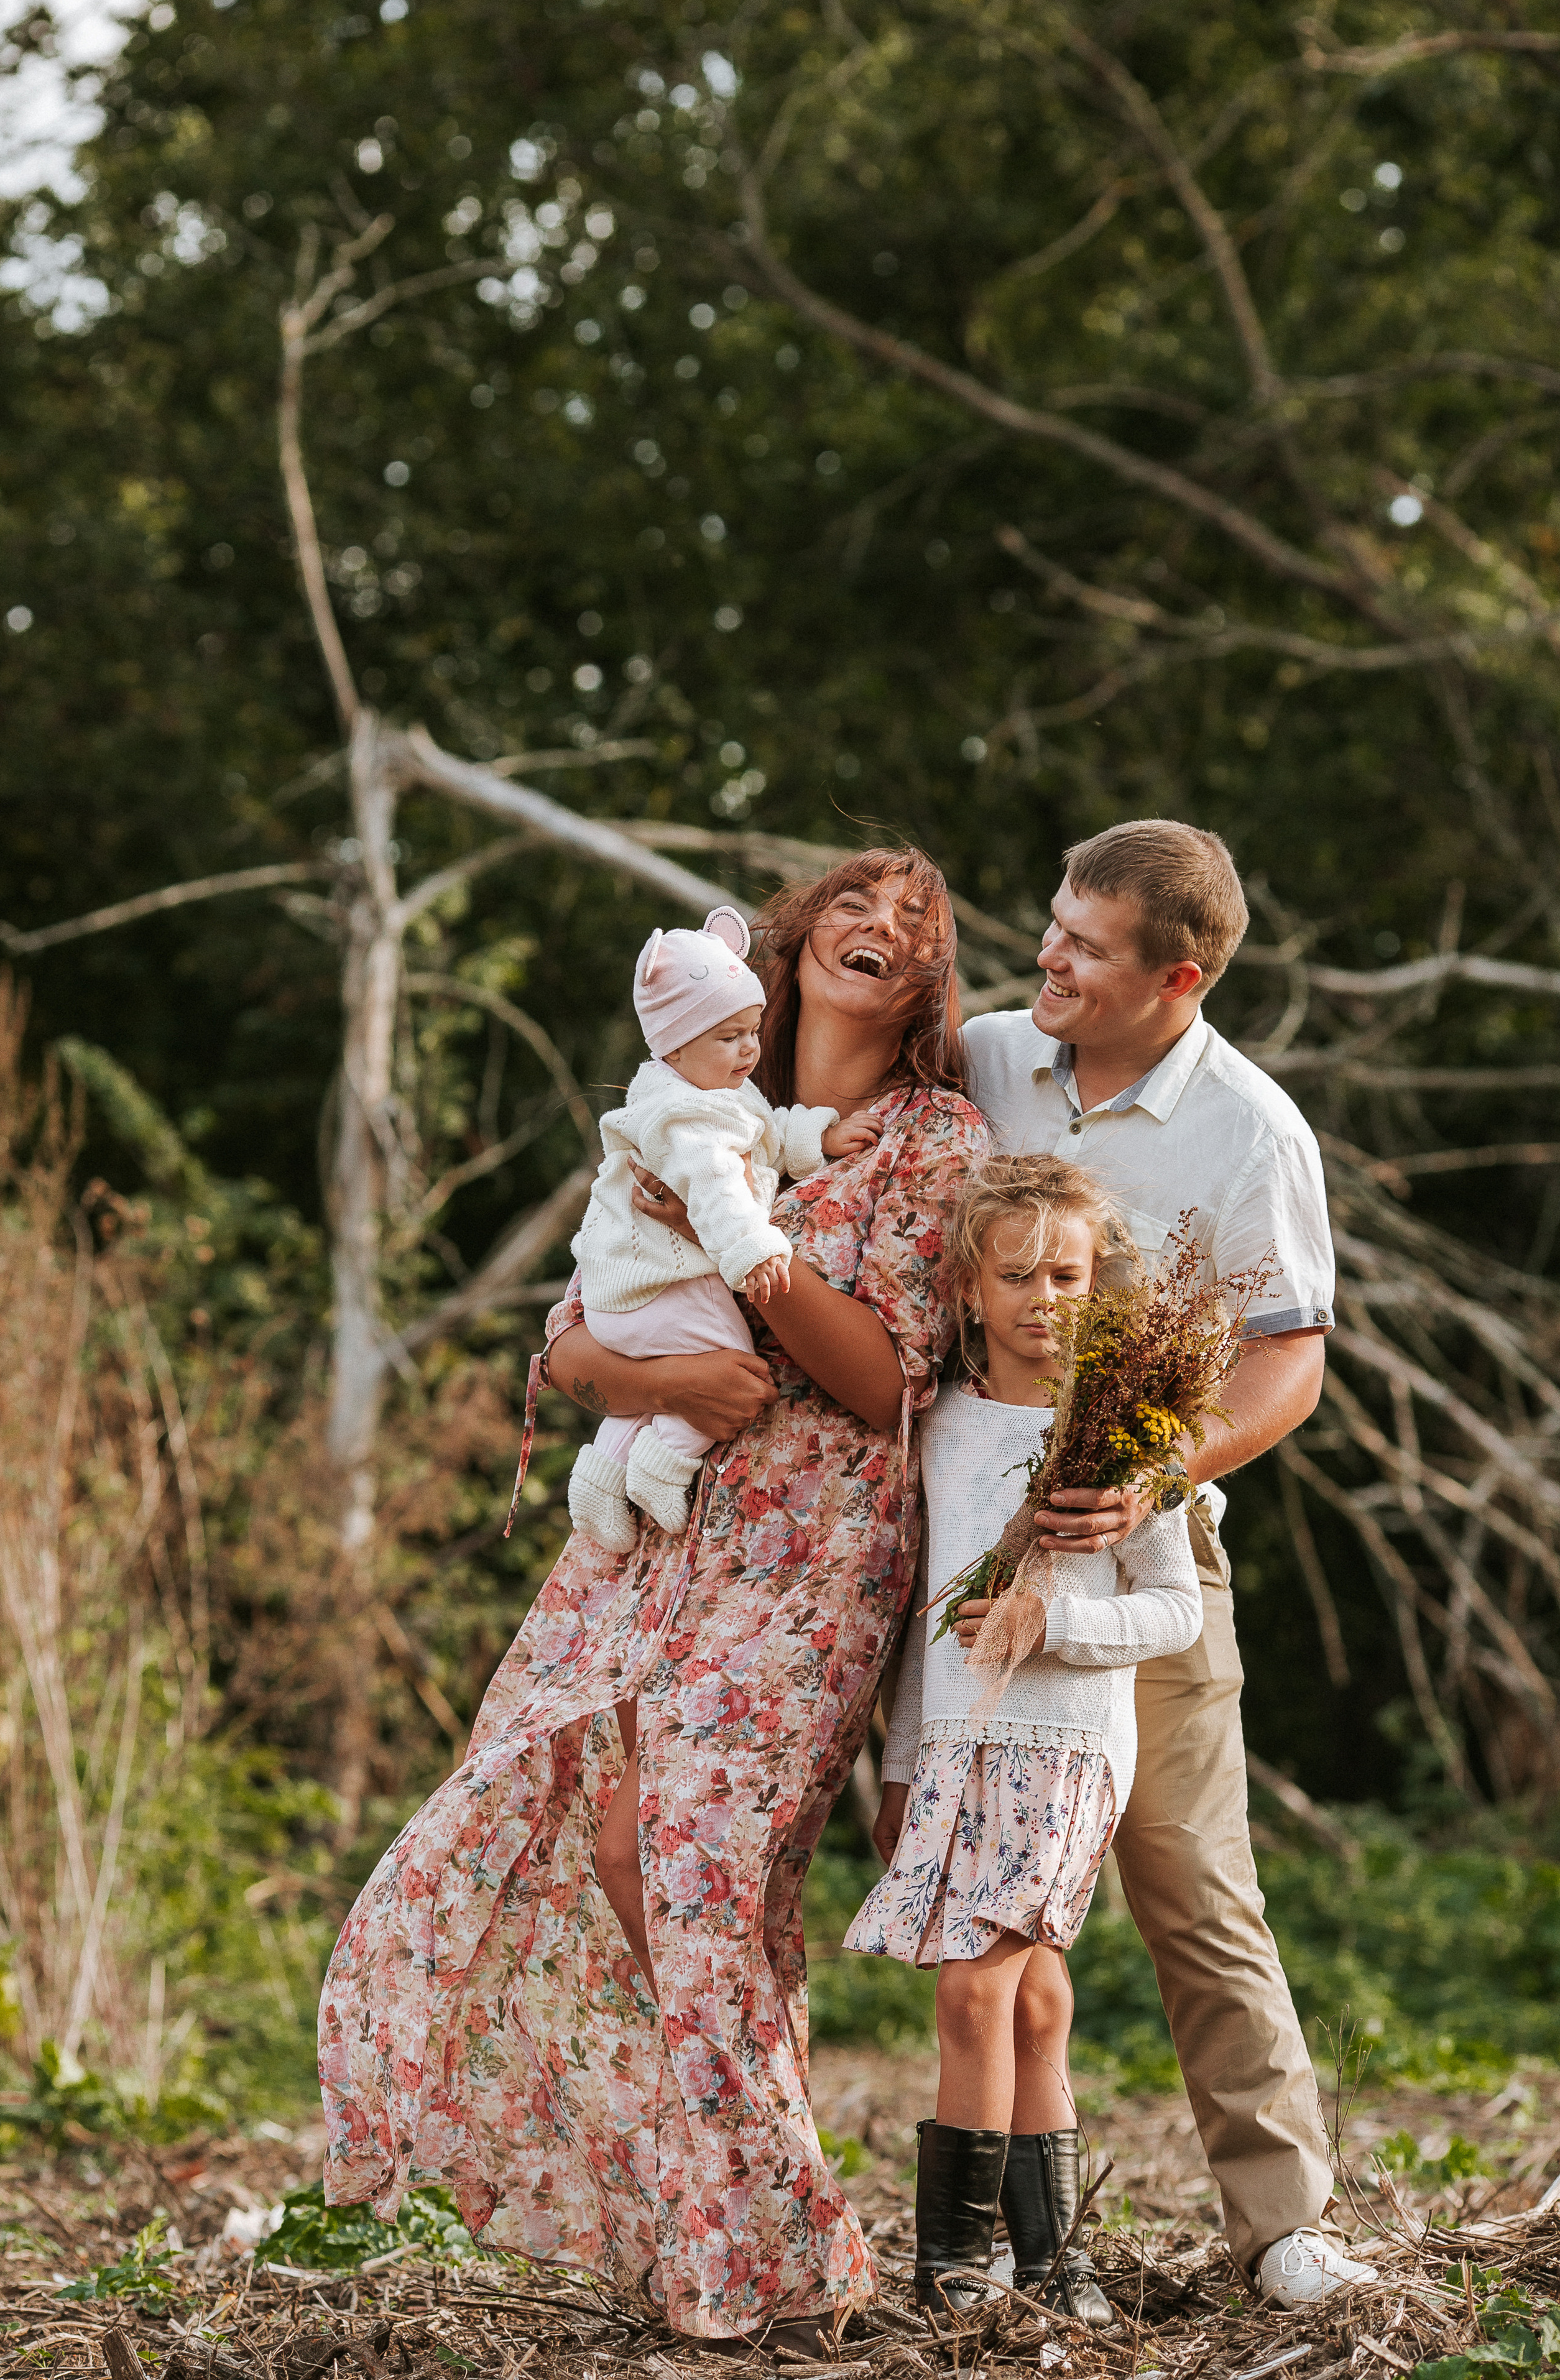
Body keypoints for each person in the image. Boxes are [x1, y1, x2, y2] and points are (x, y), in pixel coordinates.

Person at [317, 849, 988, 2351]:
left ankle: (773, 2231)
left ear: (926, 979)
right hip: (651, 1529)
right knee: (577, 1826)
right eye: (856, 904)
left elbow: (886, 1380)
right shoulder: (678, 1090)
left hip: (807, 1559)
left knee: (687, 1865)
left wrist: (747, 1259)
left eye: (914, 922)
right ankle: (717, 2225)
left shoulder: (933, 1142)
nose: (880, 926)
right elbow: (573, 1325)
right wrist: (653, 1373)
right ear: (792, 939)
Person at [959, 819, 1375, 2309]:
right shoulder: (987, 1055)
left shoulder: (1249, 1129)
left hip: (1143, 1553)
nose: (1043, 959)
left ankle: (1279, 2222)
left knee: (1192, 1884)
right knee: (964, 1902)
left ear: (1174, 974)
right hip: (945, 1541)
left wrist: (1149, 1468)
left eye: (1079, 944)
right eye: (1050, 923)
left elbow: (1288, 1361)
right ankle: (965, 2242)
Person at [846, 1155, 1202, 2326]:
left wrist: (1057, 1621)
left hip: (1062, 1747)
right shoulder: (937, 1428)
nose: (1045, 1297)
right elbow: (917, 1615)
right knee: (1034, 2001)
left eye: (1068, 1273)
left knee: (969, 1997)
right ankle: (1055, 2268)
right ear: (967, 1290)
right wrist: (899, 1764)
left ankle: (951, 2262)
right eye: (1019, 1275)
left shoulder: (1124, 1437)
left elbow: (1175, 1609)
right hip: (950, 1743)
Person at [566, 902, 876, 1551]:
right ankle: (664, 1464)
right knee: (734, 1365)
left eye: (753, 1030)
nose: (748, 1050)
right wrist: (751, 1249)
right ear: (673, 1043)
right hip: (663, 1289)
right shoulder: (684, 1116)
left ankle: (600, 1475)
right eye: (728, 1037)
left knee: (681, 1377)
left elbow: (760, 1131)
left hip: (635, 1298)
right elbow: (714, 1184)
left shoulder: (705, 1089)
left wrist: (819, 1133)